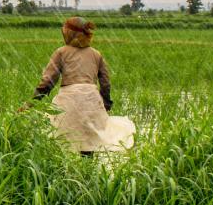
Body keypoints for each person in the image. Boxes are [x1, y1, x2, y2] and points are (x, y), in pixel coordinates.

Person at [22, 17, 134, 155]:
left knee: (62, 141)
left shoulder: (61, 52)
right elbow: (105, 83)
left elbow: (48, 82)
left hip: (68, 100)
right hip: (91, 100)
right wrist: (105, 105)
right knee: (89, 144)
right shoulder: (96, 54)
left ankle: (67, 174)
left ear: (69, 33)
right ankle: (87, 174)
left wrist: (31, 103)